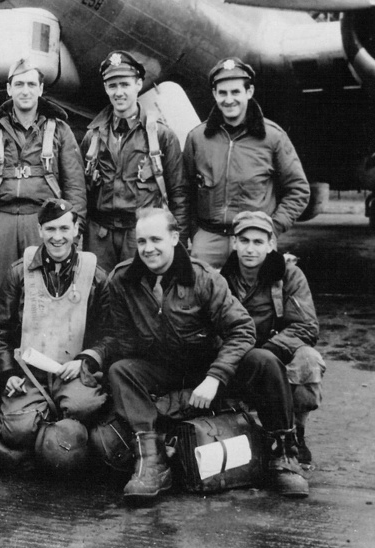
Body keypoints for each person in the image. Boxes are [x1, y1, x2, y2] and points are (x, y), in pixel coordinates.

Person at [102, 207, 309, 502]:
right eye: (142, 241)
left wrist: (215, 377)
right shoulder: (122, 280)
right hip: (164, 370)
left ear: (175, 238)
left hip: (208, 368)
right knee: (121, 369)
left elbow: (242, 330)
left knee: (264, 361)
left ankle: (284, 456)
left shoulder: (204, 278)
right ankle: (152, 462)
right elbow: (123, 341)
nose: (148, 249)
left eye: (156, 239)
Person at [0, 199, 107, 466]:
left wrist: (86, 360)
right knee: (15, 431)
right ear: (40, 230)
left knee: (86, 408)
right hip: (28, 373)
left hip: (74, 371)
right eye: (50, 229)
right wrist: (7, 373)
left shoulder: (96, 275)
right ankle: (50, 437)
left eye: (65, 229)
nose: (58, 237)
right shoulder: (19, 273)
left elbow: (111, 334)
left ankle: (58, 438)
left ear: (77, 229)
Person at [0, 58, 86, 314]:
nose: (25, 90)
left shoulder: (60, 131)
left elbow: (75, 188)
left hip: (44, 223)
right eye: (18, 84)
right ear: (9, 89)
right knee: (0, 300)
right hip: (1, 225)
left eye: (31, 84)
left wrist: (75, 235)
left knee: (46, 298)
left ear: (41, 89)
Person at [184, 57, 310, 268]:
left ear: (249, 92)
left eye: (235, 92)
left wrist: (272, 228)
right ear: (214, 94)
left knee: (255, 300)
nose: (229, 99)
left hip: (253, 240)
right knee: (201, 296)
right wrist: (194, 232)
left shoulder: (273, 137)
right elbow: (184, 189)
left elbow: (299, 190)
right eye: (222, 93)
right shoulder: (197, 138)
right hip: (208, 239)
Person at [220, 211, 324, 465]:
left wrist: (269, 352)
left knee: (308, 360)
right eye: (244, 241)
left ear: (271, 245)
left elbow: (306, 326)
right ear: (234, 243)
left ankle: (295, 432)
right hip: (239, 355)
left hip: (276, 350)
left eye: (258, 242)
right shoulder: (220, 280)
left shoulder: (289, 275)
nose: (250, 249)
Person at [81, 50, 188, 273]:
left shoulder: (161, 136)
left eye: (125, 84)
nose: (119, 92)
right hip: (100, 237)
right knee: (100, 297)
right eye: (112, 86)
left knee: (141, 298)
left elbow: (178, 193)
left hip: (140, 235)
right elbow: (81, 190)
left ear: (139, 84)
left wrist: (179, 243)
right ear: (105, 88)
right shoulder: (93, 137)